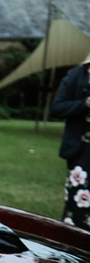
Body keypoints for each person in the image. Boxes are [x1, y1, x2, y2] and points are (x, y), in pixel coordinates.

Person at [49, 53, 90, 231]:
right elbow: (57, 108)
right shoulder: (76, 75)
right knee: (78, 202)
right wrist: (84, 104)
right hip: (81, 151)